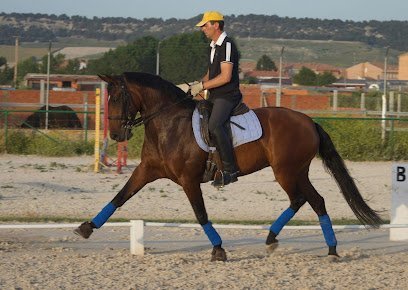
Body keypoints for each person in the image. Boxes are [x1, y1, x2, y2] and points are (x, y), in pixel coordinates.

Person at [189, 11, 242, 187]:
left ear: (216, 25)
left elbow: (225, 77)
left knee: (214, 125)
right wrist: (192, 85)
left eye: (205, 25)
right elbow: (211, 74)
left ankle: (230, 170)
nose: (203, 28)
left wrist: (202, 87)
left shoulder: (227, 45)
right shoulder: (213, 46)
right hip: (214, 95)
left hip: (227, 96)